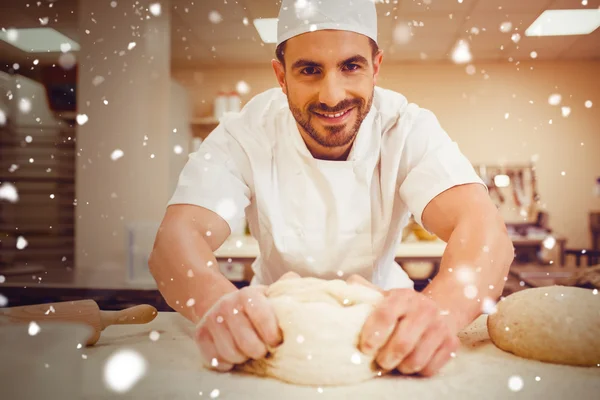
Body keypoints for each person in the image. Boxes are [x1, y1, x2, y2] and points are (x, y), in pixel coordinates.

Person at [149, 0, 514, 378]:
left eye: (351, 66)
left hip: (386, 328)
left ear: (375, 67)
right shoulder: (244, 133)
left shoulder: (407, 129)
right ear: (281, 75)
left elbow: (484, 230)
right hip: (269, 331)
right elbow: (176, 240)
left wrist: (440, 313)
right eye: (309, 70)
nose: (331, 96)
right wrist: (216, 303)